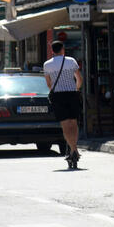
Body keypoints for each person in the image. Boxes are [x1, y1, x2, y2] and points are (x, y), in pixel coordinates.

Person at [43, 40, 84, 169]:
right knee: (74, 122)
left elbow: (49, 83)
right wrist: (76, 89)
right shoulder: (71, 61)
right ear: (63, 49)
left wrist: (54, 90)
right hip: (72, 93)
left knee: (65, 124)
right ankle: (74, 150)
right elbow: (79, 78)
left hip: (58, 95)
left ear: (52, 51)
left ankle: (73, 150)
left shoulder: (47, 64)